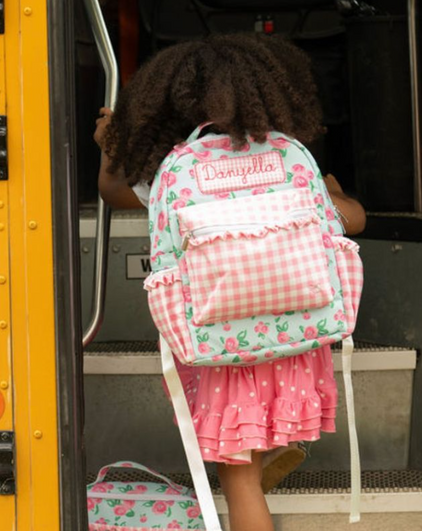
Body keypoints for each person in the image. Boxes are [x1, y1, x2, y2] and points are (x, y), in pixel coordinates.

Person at [94, 33, 366, 531]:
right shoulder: (288, 158)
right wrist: (335, 193)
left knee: (239, 485)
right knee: (256, 442)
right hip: (295, 332)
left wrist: (112, 144)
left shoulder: (175, 170)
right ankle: (277, 442)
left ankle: (258, 469)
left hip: (219, 342)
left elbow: (113, 192)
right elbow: (353, 221)